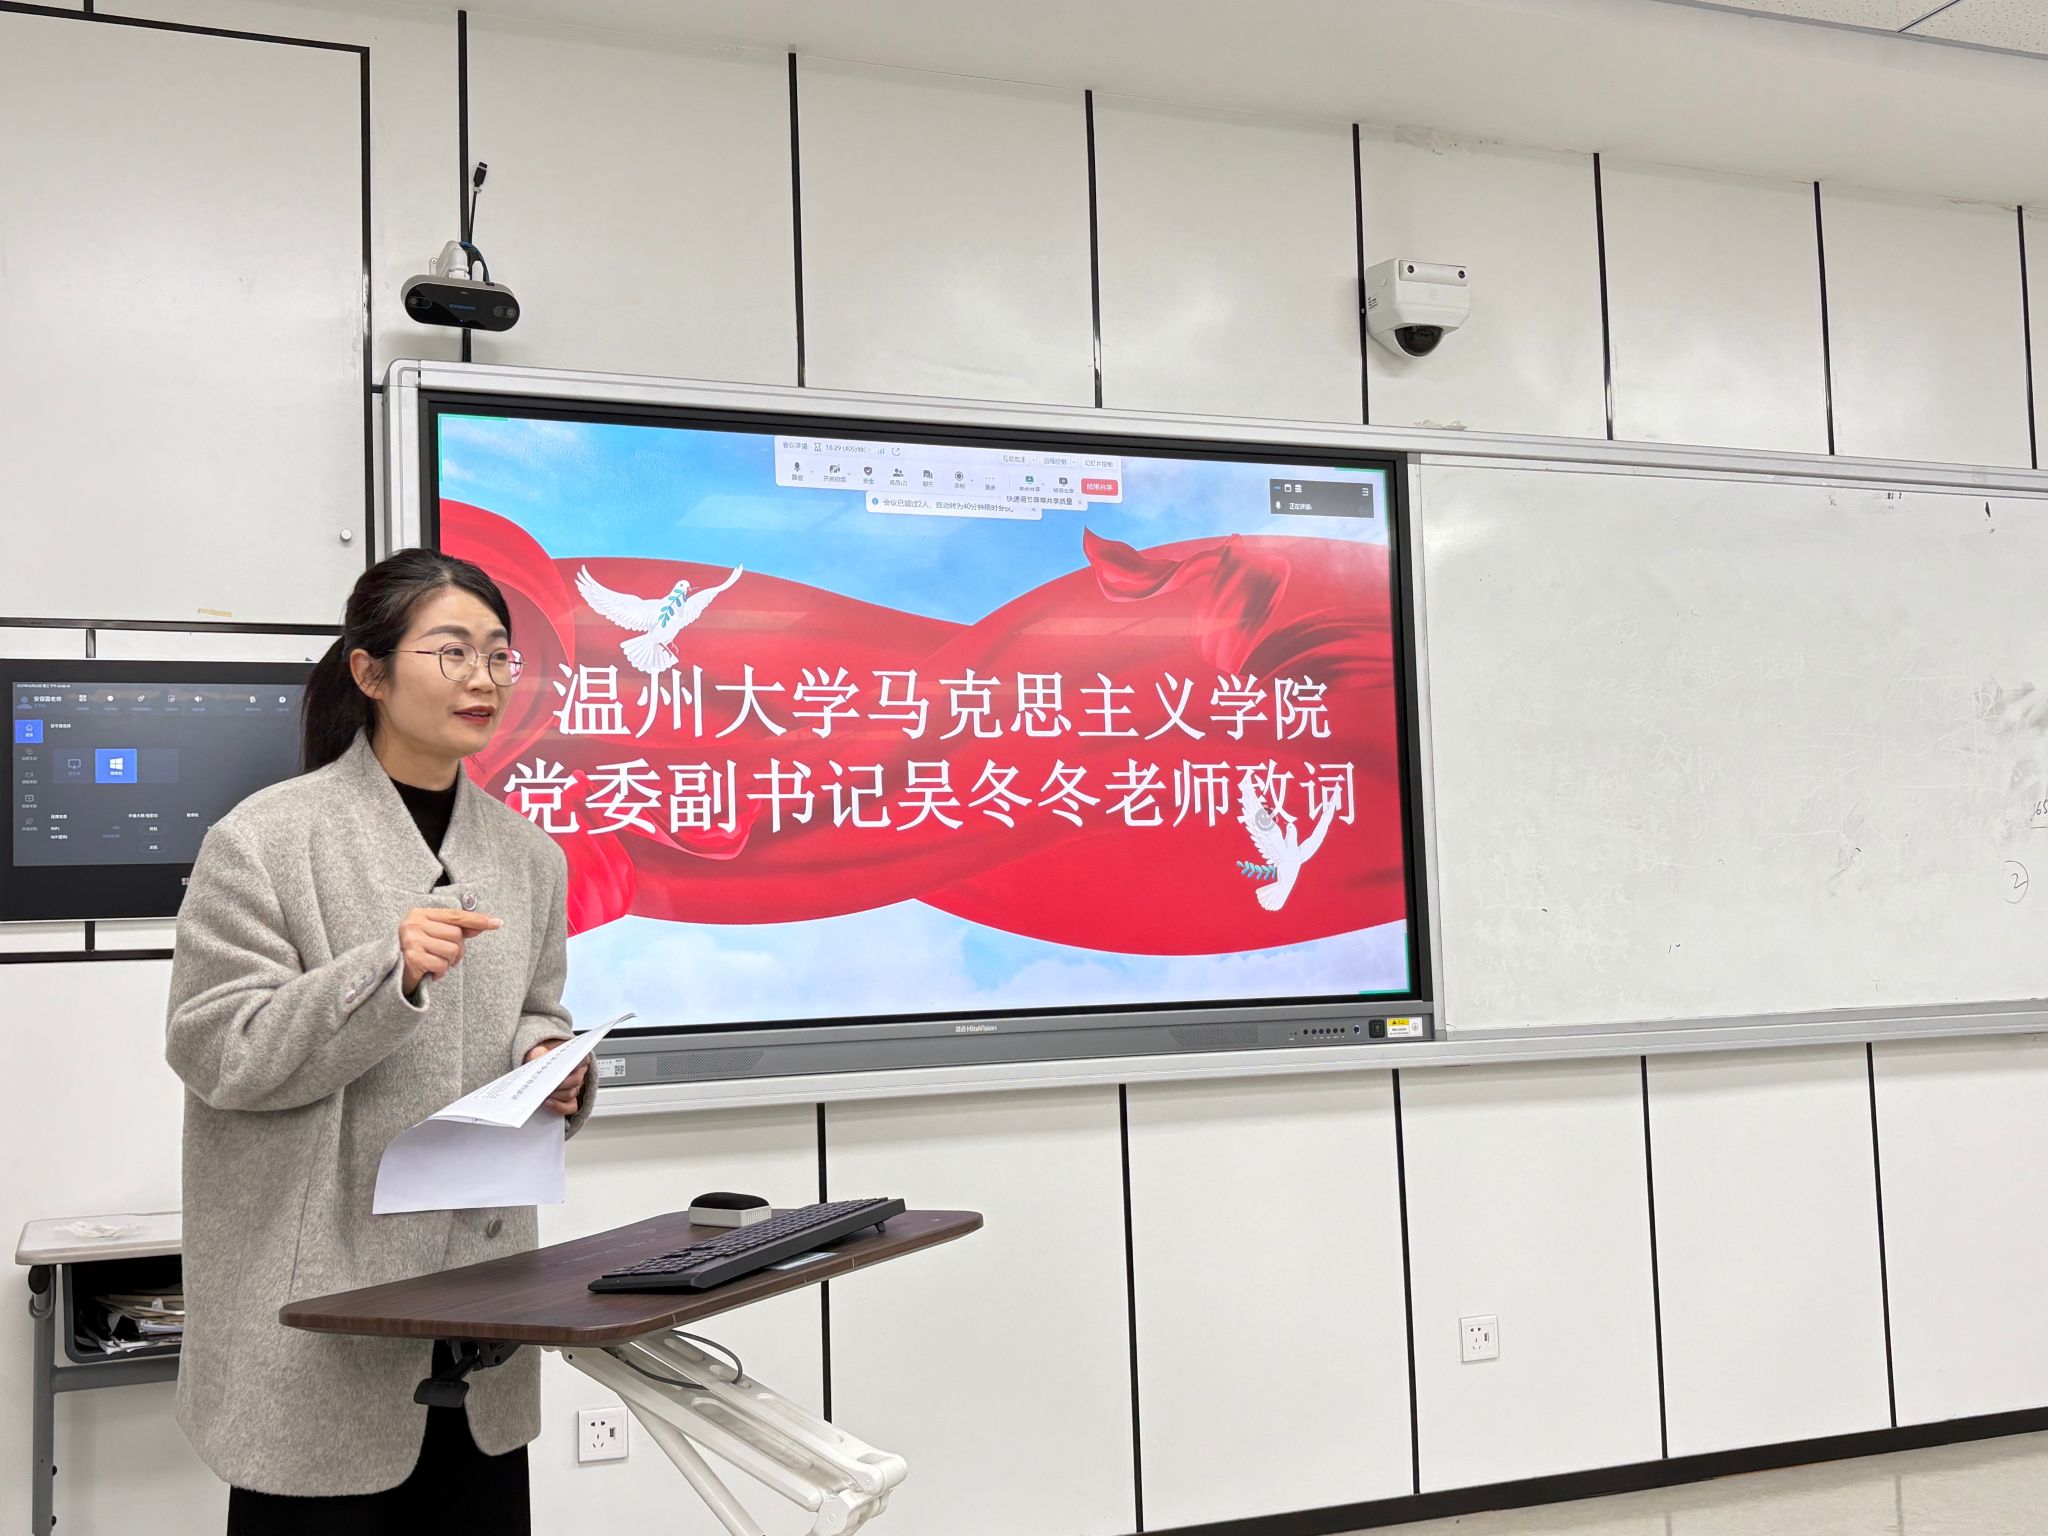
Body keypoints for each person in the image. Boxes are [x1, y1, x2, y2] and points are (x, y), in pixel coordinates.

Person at [165, 549, 594, 1533]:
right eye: (453, 652)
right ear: (370, 671)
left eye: (498, 654)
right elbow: (217, 1049)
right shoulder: (266, 840)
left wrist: (547, 1062)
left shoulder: (529, 855)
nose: (483, 678)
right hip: (323, 1317)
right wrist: (383, 973)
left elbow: (539, 1008)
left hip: (481, 1315)